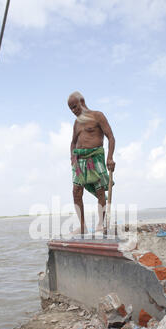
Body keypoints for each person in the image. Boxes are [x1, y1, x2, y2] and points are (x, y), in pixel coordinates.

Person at [68, 91, 115, 235]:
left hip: (95, 157)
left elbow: (111, 137)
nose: (74, 111)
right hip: (79, 160)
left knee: (100, 190)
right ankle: (83, 227)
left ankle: (101, 224)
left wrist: (110, 157)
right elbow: (73, 142)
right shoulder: (76, 123)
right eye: (71, 109)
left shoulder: (97, 116)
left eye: (75, 107)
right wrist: (72, 159)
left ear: (82, 102)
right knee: (76, 192)